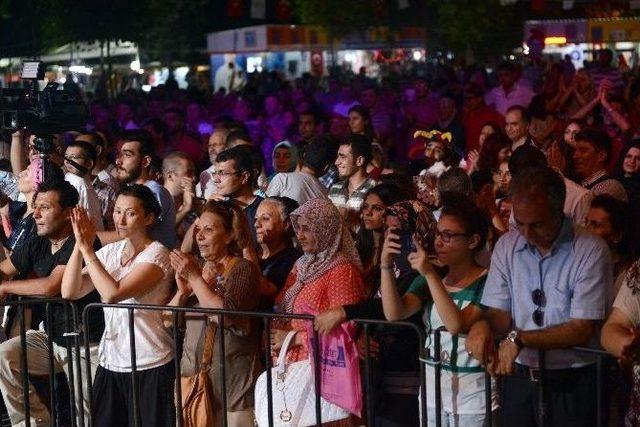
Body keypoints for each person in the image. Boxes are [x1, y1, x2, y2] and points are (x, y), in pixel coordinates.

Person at [465, 166, 611, 427]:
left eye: (537, 224)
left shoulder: (590, 250)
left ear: (559, 211)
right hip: (519, 379)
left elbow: (581, 328)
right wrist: (482, 326)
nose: (527, 234)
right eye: (519, 223)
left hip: (572, 381)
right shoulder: (508, 245)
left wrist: (519, 339)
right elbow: (499, 312)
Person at [61, 184, 175, 427]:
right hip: (111, 359)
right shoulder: (112, 251)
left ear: (149, 218)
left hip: (149, 360)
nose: (120, 219)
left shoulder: (157, 255)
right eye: (117, 211)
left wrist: (88, 249)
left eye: (130, 213)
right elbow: (70, 290)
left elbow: (113, 294)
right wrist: (78, 246)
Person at [380, 196, 497, 426]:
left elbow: (456, 324)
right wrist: (385, 265)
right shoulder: (432, 278)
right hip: (433, 393)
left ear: (473, 241)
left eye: (448, 236)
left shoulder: (489, 281)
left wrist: (430, 274)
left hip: (472, 397)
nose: (438, 242)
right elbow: (395, 313)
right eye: (437, 233)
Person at [0, 180, 104, 426]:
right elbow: (5, 269)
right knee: (5, 356)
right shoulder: (38, 238)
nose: (35, 214)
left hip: (86, 344)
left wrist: (4, 287)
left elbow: (51, 287)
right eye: (36, 207)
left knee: (86, 414)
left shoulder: (83, 242)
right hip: (51, 338)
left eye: (44, 208)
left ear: (70, 213)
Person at [168, 201, 263, 427]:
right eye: (198, 229)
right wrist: (182, 294)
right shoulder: (197, 268)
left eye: (209, 230)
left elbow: (226, 314)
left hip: (232, 386)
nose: (199, 236)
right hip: (194, 383)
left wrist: (194, 279)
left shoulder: (243, 269)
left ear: (230, 235)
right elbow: (165, 320)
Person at [271, 199, 365, 400]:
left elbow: (346, 328)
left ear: (326, 230)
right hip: (291, 363)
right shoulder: (302, 265)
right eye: (299, 228)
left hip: (321, 368)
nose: (300, 235)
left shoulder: (342, 270)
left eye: (307, 229)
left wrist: (293, 338)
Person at [115, 130, 178, 249]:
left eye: (127, 155)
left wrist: (92, 237)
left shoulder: (154, 191)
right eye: (118, 154)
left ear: (145, 161)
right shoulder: (128, 190)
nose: (118, 161)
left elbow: (134, 235)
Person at [255, 196, 301, 299]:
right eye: (256, 218)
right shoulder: (252, 252)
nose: (256, 224)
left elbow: (266, 290)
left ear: (286, 224)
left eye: (265, 218)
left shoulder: (294, 260)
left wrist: (246, 249)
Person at [266, 136, 332, 206]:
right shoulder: (326, 195)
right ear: (326, 168)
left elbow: (265, 210)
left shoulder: (283, 179)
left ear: (304, 155)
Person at [328, 134, 377, 225]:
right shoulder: (334, 189)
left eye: (342, 157)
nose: (336, 162)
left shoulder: (374, 189)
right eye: (338, 157)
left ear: (359, 161)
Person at [573, 129, 628, 202]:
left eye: (583, 150)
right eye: (575, 150)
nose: (574, 156)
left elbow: (585, 211)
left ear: (601, 156)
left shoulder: (611, 187)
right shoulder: (581, 184)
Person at [63, 141, 105, 231]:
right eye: (66, 157)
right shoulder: (67, 177)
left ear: (89, 164)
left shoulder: (81, 184)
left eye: (73, 157)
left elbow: (88, 224)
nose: (67, 161)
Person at [161, 151, 199, 239]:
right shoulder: (156, 201)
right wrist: (185, 209)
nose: (194, 178)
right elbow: (160, 234)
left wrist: (196, 205)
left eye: (194, 173)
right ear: (170, 176)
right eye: (189, 172)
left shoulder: (192, 202)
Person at [197, 128, 230, 199]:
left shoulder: (238, 170)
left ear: (227, 147)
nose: (211, 149)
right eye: (209, 145)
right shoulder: (206, 175)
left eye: (215, 145)